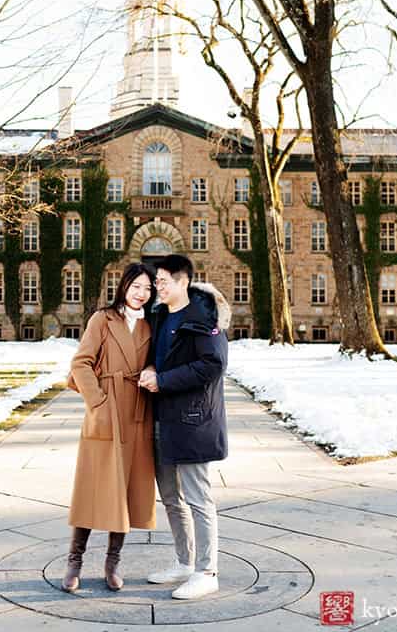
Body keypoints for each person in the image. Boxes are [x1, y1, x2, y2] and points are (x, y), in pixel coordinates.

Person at [139, 254, 229, 601]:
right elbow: (157, 353)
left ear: (182, 282)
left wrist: (162, 381)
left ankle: (207, 572)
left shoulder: (204, 317)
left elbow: (212, 365)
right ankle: (184, 562)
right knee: (172, 499)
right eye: (156, 281)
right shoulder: (161, 314)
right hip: (163, 419)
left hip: (193, 421)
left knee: (198, 498)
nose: (156, 287)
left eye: (162, 281)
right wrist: (150, 369)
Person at [64, 263, 158, 593]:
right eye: (136, 286)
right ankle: (74, 559)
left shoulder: (151, 324)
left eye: (148, 288)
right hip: (105, 412)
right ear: (125, 286)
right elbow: (81, 363)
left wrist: (149, 368)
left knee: (127, 491)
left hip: (136, 413)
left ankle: (113, 562)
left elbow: (155, 359)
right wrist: (99, 402)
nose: (141, 293)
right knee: (93, 487)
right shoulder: (103, 319)